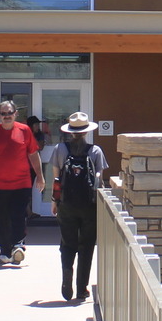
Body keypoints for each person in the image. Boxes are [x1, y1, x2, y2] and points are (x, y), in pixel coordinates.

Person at [46, 111, 109, 302]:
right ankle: (82, 288)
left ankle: (67, 274)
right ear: (87, 132)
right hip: (89, 206)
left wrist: (54, 201)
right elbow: (99, 180)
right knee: (87, 245)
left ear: (70, 132)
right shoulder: (95, 151)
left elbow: (57, 179)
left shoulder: (60, 149)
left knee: (67, 243)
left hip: (67, 203)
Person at [0, 100, 44, 265]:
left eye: (10, 113)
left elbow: (33, 154)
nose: (7, 116)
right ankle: (4, 251)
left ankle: (18, 246)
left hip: (21, 183)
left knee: (18, 215)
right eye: (4, 113)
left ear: (16, 113)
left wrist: (40, 175)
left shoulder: (24, 131)